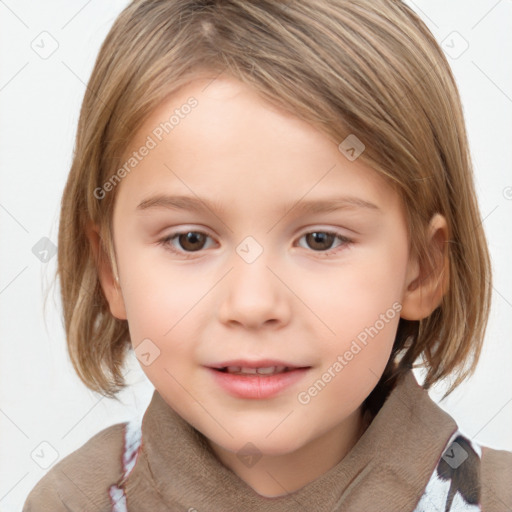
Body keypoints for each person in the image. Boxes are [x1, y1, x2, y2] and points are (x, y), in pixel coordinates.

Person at [23, 0, 512, 510]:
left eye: (320, 240)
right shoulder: (76, 500)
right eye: (190, 239)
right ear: (112, 270)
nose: (253, 304)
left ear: (423, 268)